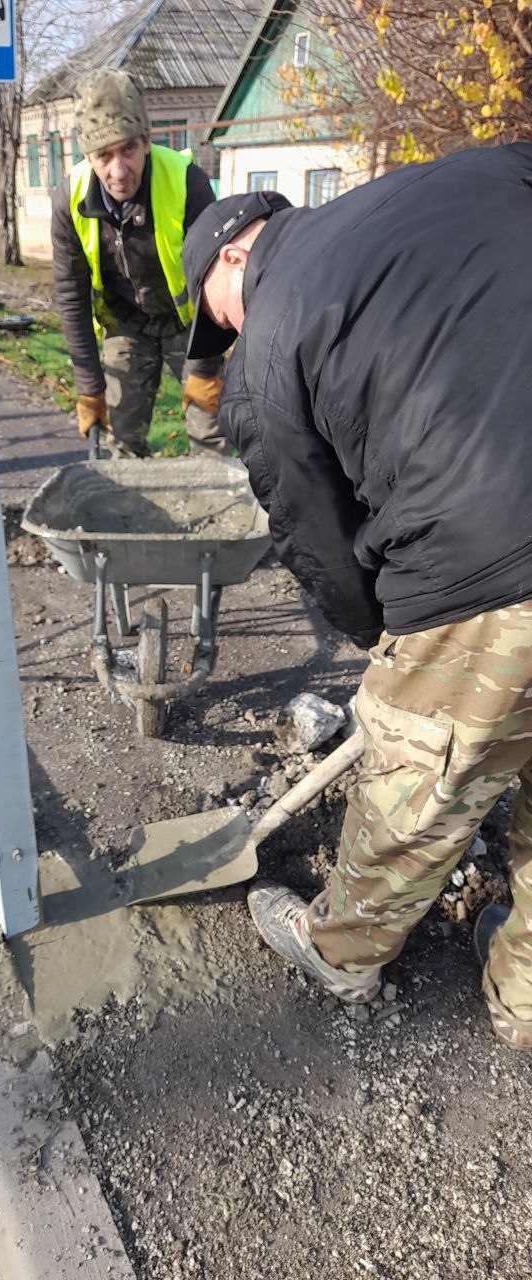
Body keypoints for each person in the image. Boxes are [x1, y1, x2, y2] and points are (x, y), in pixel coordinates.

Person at [181, 143, 532, 1049]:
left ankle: (341, 954)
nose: (224, 337)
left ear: (232, 255)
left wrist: (386, 641)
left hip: (489, 549)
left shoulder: (266, 339)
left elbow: (319, 546)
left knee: (417, 782)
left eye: (216, 320)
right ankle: (525, 992)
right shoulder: (460, 177)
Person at [51, 68, 227, 457]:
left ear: (146, 141)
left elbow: (217, 281)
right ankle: (133, 516)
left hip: (192, 325)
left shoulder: (186, 182)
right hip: (126, 324)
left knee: (210, 429)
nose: (118, 171)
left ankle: (216, 509)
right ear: (88, 156)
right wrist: (89, 387)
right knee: (123, 440)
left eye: (128, 149)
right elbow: (70, 296)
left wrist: (204, 368)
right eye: (103, 155)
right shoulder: (70, 198)